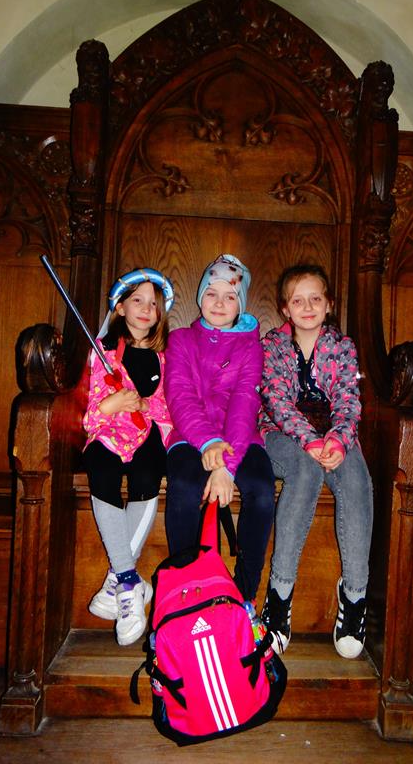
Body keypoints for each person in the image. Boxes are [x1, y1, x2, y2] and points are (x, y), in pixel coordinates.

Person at [259, 264, 373, 659]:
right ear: (285, 309)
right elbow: (275, 401)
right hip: (281, 434)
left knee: (357, 479)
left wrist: (338, 441)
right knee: (306, 471)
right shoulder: (273, 346)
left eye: (315, 299)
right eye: (298, 301)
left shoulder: (342, 347)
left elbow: (348, 399)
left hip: (334, 434)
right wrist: (308, 441)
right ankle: (279, 596)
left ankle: (355, 596)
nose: (307, 307)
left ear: (328, 305)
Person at [164, 253, 275, 602]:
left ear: (240, 304)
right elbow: (180, 396)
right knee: (184, 487)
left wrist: (226, 465)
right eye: (211, 293)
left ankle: (244, 594)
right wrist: (208, 443)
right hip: (190, 437)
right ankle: (186, 590)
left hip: (241, 439)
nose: (219, 303)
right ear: (200, 298)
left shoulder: (251, 347)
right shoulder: (181, 340)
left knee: (261, 490)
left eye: (230, 296)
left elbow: (244, 404)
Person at [82, 267, 175, 646]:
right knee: (100, 467)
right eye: (137, 300)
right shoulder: (101, 352)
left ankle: (118, 581)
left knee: (148, 473)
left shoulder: (164, 357)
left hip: (147, 432)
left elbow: (168, 404)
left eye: (153, 303)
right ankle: (128, 580)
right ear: (119, 307)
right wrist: (112, 404)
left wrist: (147, 408)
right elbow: (92, 408)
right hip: (109, 430)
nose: (146, 309)